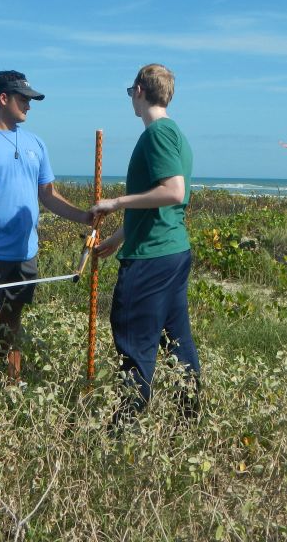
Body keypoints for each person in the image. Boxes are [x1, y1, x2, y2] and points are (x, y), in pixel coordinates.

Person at [0, 70, 91, 378]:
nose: (28, 105)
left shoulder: (35, 144)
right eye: (23, 99)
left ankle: (10, 385)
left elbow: (48, 195)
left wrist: (83, 215)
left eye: (29, 99)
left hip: (25, 252)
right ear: (3, 98)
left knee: (12, 321)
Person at [91, 63, 200, 423]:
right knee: (177, 344)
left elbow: (173, 192)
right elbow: (156, 206)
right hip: (169, 250)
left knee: (134, 340)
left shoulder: (158, 135)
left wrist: (115, 203)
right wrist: (120, 236)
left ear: (139, 90)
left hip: (152, 259)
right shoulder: (175, 134)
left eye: (130, 93)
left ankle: (124, 429)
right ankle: (191, 421)